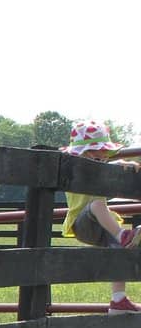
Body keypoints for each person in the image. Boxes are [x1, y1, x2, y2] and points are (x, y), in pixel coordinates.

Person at [61, 119, 141, 314]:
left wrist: (119, 163)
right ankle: (123, 235)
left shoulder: (95, 167)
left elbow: (100, 166)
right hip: (82, 222)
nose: (102, 163)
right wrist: (116, 163)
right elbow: (90, 169)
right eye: (97, 158)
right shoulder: (75, 170)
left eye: (105, 159)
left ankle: (118, 300)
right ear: (81, 155)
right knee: (97, 204)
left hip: (100, 225)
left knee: (118, 250)